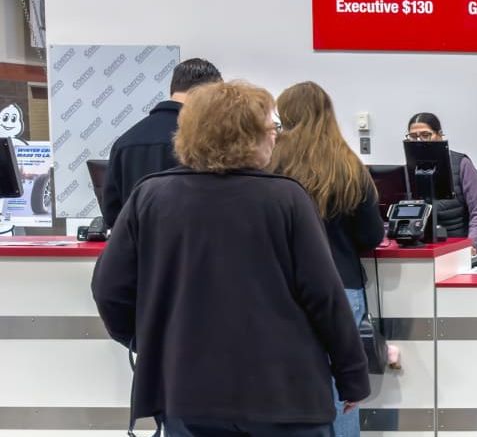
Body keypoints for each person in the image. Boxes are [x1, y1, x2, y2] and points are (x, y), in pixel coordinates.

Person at [91, 81, 369, 437]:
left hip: (187, 392)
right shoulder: (286, 199)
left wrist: (148, 340)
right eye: (271, 128)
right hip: (283, 392)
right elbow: (324, 297)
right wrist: (351, 375)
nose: (275, 137)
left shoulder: (150, 197)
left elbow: (108, 290)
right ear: (247, 136)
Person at [270, 82, 384, 437]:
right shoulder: (348, 165)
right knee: (342, 387)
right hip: (341, 285)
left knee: (283, 381)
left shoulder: (271, 164)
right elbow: (370, 236)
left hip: (281, 287)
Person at [100, 57, 221, 227]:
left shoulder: (125, 142)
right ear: (207, 93)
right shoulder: (206, 139)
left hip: (142, 249)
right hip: (188, 247)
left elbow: (112, 215)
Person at [407, 113, 477, 263]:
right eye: (413, 136)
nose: (419, 141)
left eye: (426, 135)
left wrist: (473, 245)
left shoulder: (462, 164)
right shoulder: (410, 169)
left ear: (439, 135)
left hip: (463, 249)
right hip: (429, 250)